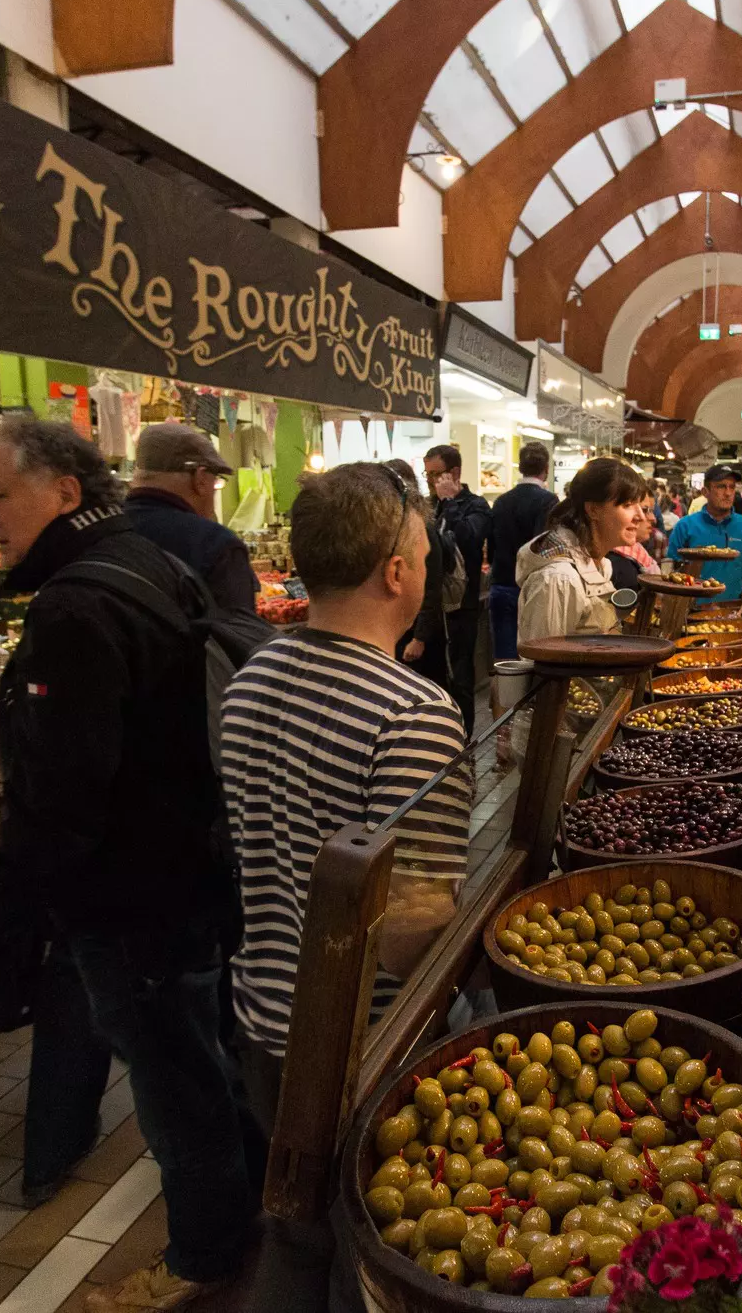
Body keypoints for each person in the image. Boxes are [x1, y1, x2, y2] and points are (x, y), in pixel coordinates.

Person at [0, 417, 255, 1311]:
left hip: (132, 900)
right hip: (189, 877)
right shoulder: (148, 567)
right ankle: (243, 1223)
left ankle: (202, 1264)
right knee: (205, 1067)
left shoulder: (78, 605)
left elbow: (58, 803)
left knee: (176, 1089)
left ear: (65, 492)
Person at [220, 465, 470, 1313]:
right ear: (395, 573)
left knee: (293, 1234)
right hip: (356, 1047)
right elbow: (410, 929)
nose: (428, 568)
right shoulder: (413, 713)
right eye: (423, 553)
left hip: (262, 1019)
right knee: (362, 1265)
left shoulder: (249, 678)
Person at [122, 422, 257, 614]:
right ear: (200, 478)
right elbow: (241, 638)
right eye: (216, 481)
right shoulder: (216, 545)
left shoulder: (100, 530)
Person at [518, 458, 650, 645]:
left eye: (640, 506)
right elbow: (544, 663)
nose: (641, 517)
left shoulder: (602, 563)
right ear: (593, 510)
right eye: (627, 505)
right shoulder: (558, 579)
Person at [422, 444, 490, 733]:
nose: (431, 481)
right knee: (432, 676)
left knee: (460, 676)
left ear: (455, 472)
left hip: (461, 606)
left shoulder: (476, 505)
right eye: (427, 475)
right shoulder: (427, 506)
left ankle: (465, 739)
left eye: (436, 475)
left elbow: (470, 539)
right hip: (430, 607)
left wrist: (449, 503)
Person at [485, 442, 556, 663]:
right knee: (534, 655)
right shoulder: (548, 501)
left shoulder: (501, 501)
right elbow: (543, 547)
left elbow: (492, 544)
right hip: (532, 587)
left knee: (505, 660)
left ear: (520, 467)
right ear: (546, 468)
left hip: (501, 583)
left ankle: (505, 698)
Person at [387, 458, 451, 691]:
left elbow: (431, 588)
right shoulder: (400, 527)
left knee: (428, 688)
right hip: (406, 629)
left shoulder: (422, 529)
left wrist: (420, 638)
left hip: (422, 634)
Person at [667, 463, 742, 609]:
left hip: (732, 613)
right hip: (691, 613)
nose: (728, 493)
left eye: (732, 487)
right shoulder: (686, 526)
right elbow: (672, 571)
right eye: (721, 487)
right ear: (705, 491)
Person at [606, 497, 659, 594]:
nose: (652, 518)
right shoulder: (617, 563)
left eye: (651, 510)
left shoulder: (638, 553)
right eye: (645, 510)